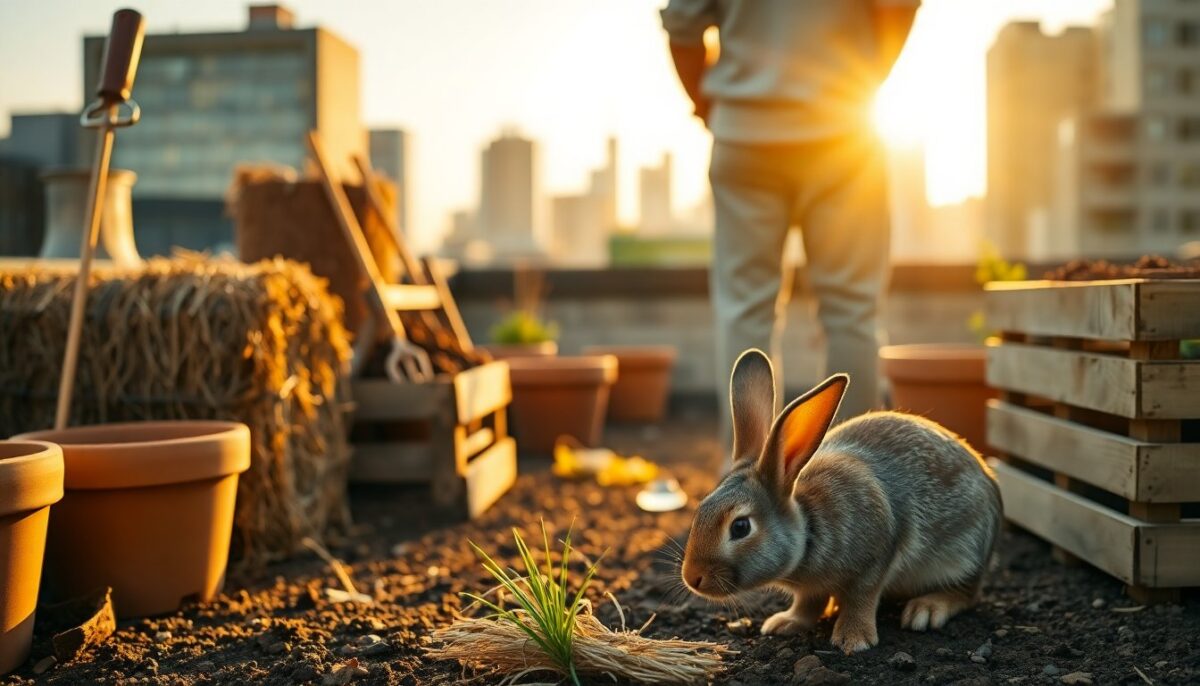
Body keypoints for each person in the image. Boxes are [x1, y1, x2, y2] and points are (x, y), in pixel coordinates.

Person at [661, 0, 920, 457]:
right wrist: (859, 80)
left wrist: (715, 108)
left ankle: (744, 479)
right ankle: (852, 480)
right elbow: (897, 8)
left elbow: (682, 26)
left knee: (745, 309)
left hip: (745, 135)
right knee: (852, 312)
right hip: (846, 129)